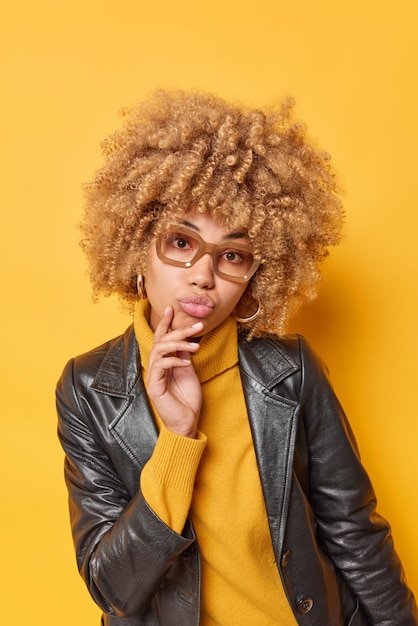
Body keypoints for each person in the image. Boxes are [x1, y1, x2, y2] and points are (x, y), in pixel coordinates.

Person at [56, 89, 417, 626]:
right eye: (181, 243)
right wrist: (177, 441)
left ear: (254, 276)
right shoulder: (89, 388)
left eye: (232, 255)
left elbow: (353, 530)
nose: (203, 274)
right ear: (137, 250)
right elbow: (114, 589)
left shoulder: (291, 369)